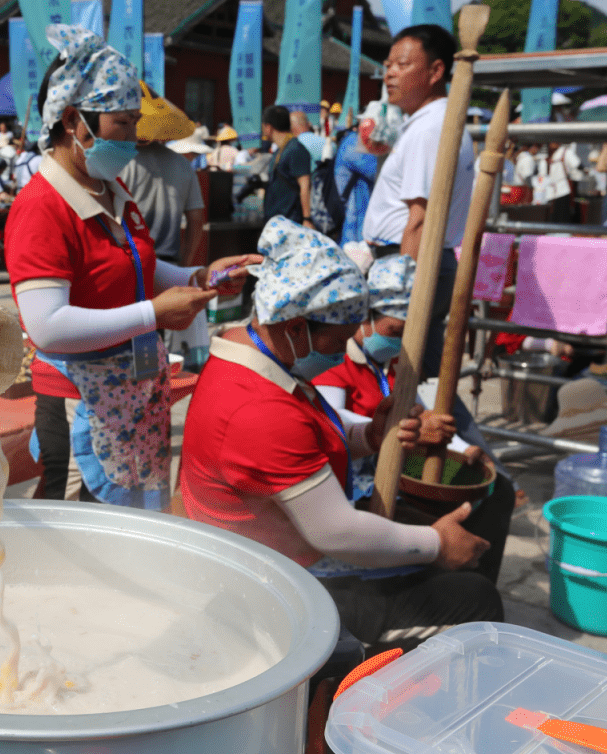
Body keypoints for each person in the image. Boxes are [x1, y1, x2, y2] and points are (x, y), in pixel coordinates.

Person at [179, 218, 503, 651]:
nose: (339, 352)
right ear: (296, 327)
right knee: (473, 598)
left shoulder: (256, 360)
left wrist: (370, 434)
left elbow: (313, 429)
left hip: (277, 549)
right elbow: (334, 532)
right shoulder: (258, 408)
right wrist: (436, 543)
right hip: (265, 587)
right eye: (338, 340)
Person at [3, 24, 256, 508]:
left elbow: (137, 269)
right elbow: (48, 326)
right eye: (123, 123)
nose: (135, 139)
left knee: (132, 529)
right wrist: (154, 314)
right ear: (76, 121)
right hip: (83, 402)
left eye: (135, 122)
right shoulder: (43, 206)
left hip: (134, 396)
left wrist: (200, 279)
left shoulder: (112, 191)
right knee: (82, 539)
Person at [313, 254, 516, 584]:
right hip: (359, 486)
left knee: (497, 493)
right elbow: (332, 419)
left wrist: (464, 448)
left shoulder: (395, 364)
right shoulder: (337, 362)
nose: (398, 340)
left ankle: (475, 569)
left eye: (407, 333)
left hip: (400, 472)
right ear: (365, 319)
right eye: (393, 330)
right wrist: (391, 429)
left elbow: (423, 412)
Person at [361, 24, 474, 380]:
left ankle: (464, 439)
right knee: (422, 380)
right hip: (416, 260)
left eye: (403, 64)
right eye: (388, 64)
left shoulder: (429, 128)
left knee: (411, 378)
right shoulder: (430, 122)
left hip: (411, 260)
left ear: (436, 71)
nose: (390, 73)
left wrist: (398, 297)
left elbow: (421, 219)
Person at [119, 139, 205, 265]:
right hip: (169, 262)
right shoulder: (183, 164)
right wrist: (186, 262)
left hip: (131, 261)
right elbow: (196, 218)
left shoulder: (121, 162)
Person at [260, 105, 313, 227]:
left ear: (268, 127)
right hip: (277, 223)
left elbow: (305, 186)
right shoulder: (280, 150)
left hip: (291, 223)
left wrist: (307, 219)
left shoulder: (295, 149)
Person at [333, 128, 377, 247]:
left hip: (356, 221)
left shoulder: (353, 141)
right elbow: (378, 171)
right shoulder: (354, 143)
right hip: (354, 224)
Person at [542, 141, 583, 224]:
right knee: (556, 220)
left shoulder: (565, 152)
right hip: (553, 192)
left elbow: (578, 165)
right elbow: (579, 165)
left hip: (559, 191)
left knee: (560, 219)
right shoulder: (554, 155)